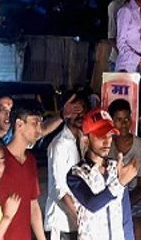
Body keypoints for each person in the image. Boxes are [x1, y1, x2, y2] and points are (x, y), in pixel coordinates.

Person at [66, 108, 138, 240]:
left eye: (109, 135)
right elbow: (92, 204)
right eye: (100, 136)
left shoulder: (116, 168)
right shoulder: (76, 174)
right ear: (86, 139)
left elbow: (126, 216)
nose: (107, 141)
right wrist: (120, 183)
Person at [0, 103, 46, 240]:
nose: (39, 130)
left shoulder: (30, 160)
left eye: (40, 124)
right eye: (34, 123)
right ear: (19, 124)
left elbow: (33, 204)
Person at [44, 92, 88, 240]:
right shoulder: (59, 145)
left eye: (83, 111)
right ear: (66, 113)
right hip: (61, 221)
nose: (80, 116)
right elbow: (59, 189)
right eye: (75, 112)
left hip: (78, 221)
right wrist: (79, 217)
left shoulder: (83, 141)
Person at [108, 99, 141, 240]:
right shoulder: (106, 145)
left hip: (134, 199)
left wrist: (124, 205)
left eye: (127, 119)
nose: (124, 124)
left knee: (138, 228)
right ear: (111, 121)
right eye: (119, 119)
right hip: (109, 196)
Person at [108, 0, 134, 70]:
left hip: (135, 61)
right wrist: (125, 57)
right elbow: (111, 37)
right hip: (118, 61)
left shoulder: (140, 6)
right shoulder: (114, 6)